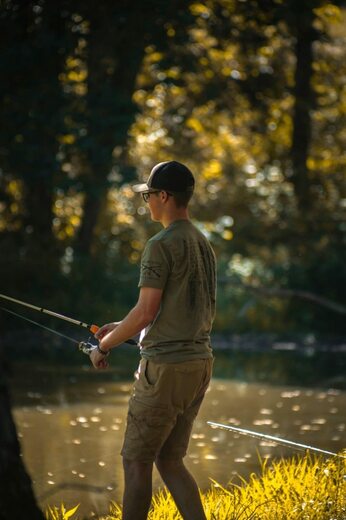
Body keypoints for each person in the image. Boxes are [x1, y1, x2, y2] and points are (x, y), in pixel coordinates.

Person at [90, 160, 216, 520]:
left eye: (148, 195)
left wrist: (104, 346)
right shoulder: (203, 244)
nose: (146, 202)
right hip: (199, 364)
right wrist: (118, 327)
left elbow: (146, 312)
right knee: (170, 459)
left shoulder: (160, 245)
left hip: (166, 371)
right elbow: (168, 310)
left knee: (136, 461)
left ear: (164, 195)